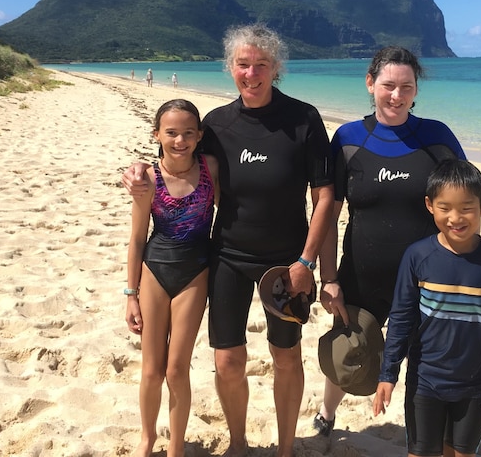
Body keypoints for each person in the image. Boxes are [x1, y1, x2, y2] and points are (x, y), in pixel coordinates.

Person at [123, 23, 334, 457]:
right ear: (230, 68)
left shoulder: (304, 119)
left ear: (276, 69)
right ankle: (238, 443)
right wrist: (138, 169)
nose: (251, 73)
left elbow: (325, 197)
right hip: (228, 259)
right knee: (228, 361)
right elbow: (178, 162)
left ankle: (286, 448)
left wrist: (307, 263)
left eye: (261, 65)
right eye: (243, 64)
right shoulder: (216, 124)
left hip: (287, 264)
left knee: (287, 357)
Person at [313, 46, 467, 436]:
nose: (396, 96)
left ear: (416, 90)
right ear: (370, 84)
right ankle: (327, 414)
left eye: (406, 87)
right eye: (387, 86)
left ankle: (426, 433)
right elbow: (329, 214)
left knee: (426, 360)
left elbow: (463, 204)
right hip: (361, 275)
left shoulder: (437, 137)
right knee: (347, 352)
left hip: (425, 279)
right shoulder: (348, 139)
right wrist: (328, 277)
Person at [373, 158, 481, 457]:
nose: (456, 217)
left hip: (476, 385)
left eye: (467, 207)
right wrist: (388, 374)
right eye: (445, 208)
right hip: (425, 381)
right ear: (429, 205)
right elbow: (401, 318)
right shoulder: (418, 256)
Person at [124, 99, 219, 457]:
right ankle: (147, 440)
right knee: (151, 369)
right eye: (171, 133)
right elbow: (136, 238)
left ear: (199, 136)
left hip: (195, 272)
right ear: (157, 134)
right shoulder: (147, 178)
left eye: (188, 133)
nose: (180, 140)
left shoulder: (210, 168)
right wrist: (131, 294)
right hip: (154, 271)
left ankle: (176, 448)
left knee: (177, 369)